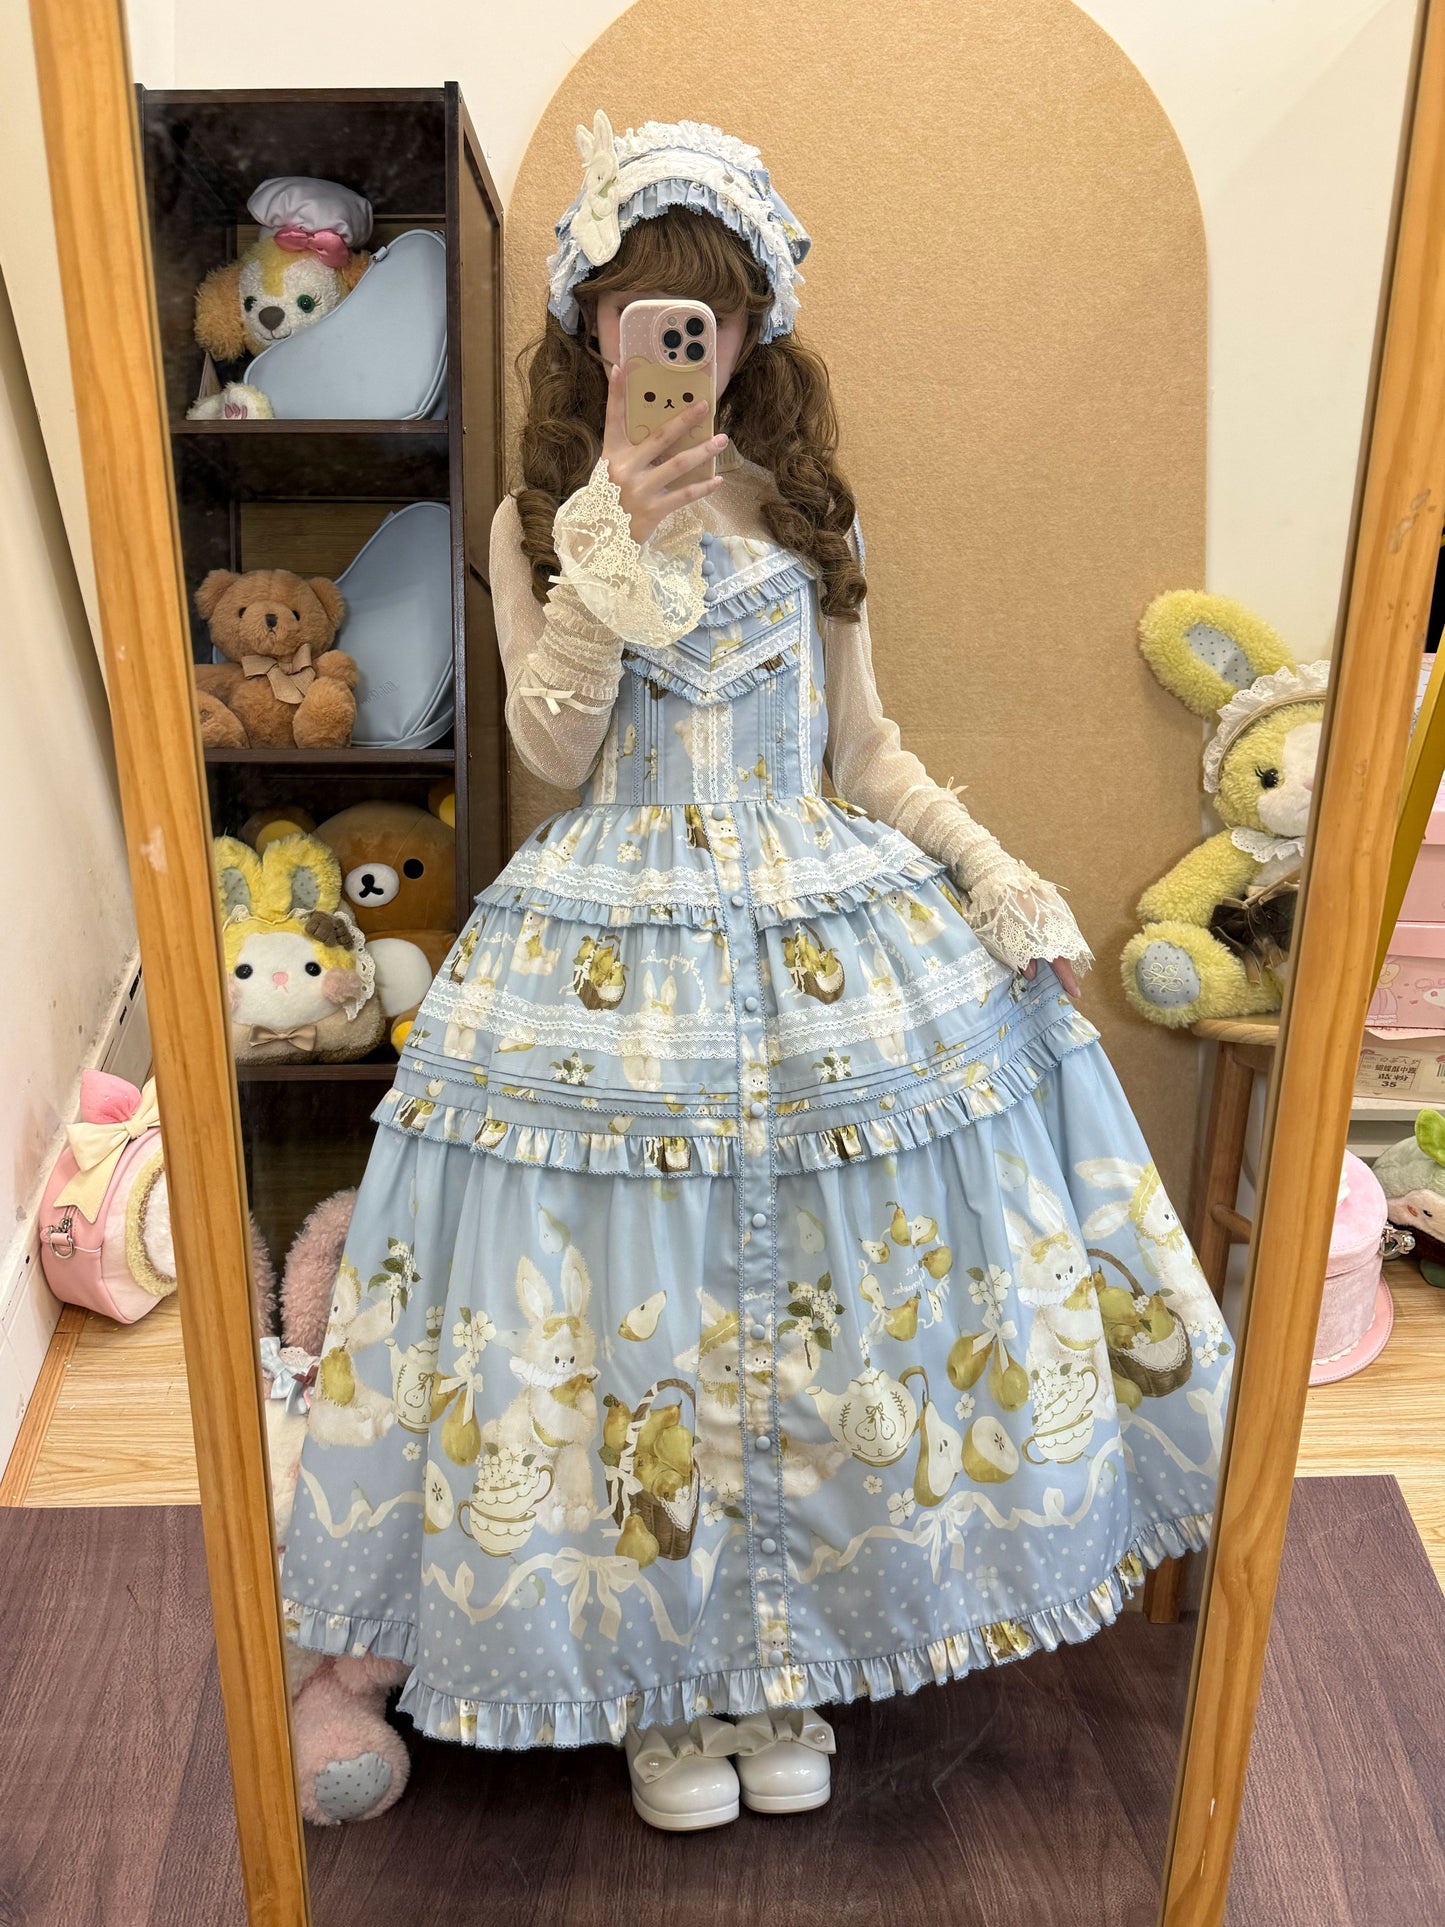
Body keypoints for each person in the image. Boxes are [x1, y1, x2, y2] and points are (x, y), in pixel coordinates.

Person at [280, 110, 1235, 1834]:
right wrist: (605, 549)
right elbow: (547, 756)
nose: (677, 347)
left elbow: (865, 750)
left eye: (707, 318)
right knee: (627, 1325)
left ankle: (781, 1664)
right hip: (611, 955)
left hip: (814, 943)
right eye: (643, 315)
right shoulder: (535, 518)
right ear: (592, 327)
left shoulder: (809, 512)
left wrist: (992, 871)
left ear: (750, 330)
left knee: (809, 1313)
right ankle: (665, 1687)